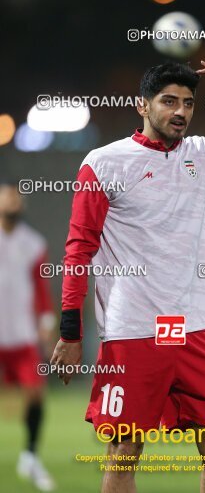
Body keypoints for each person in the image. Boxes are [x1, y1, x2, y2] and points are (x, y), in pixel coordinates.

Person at [51, 60, 205, 493]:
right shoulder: (103, 163)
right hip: (133, 332)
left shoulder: (204, 153)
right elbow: (78, 249)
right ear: (141, 106)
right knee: (124, 454)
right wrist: (71, 331)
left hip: (196, 330)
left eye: (188, 103)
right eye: (168, 102)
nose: (180, 111)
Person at [0, 180, 56, 491]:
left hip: (21, 337)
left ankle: (31, 457)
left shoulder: (33, 243)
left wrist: (46, 325)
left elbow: (42, 291)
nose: (11, 202)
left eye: (15, 198)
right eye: (5, 197)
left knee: (36, 395)